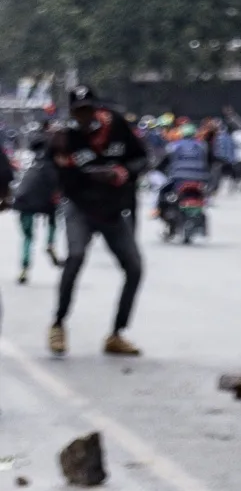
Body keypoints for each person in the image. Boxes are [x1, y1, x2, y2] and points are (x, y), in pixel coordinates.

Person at [47, 85, 147, 357]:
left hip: (112, 211)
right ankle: (58, 324)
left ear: (96, 108)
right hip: (80, 208)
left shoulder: (116, 127)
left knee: (135, 268)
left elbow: (141, 159)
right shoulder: (65, 138)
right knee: (76, 257)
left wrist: (122, 172)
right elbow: (59, 177)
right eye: (79, 112)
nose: (84, 116)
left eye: (88, 110)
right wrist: (89, 175)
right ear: (72, 113)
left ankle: (117, 333)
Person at [13, 132, 62, 285]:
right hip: (45, 200)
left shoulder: (27, 159)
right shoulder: (55, 162)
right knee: (53, 220)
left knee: (28, 238)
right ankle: (50, 243)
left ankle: (24, 268)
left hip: (24, 199)